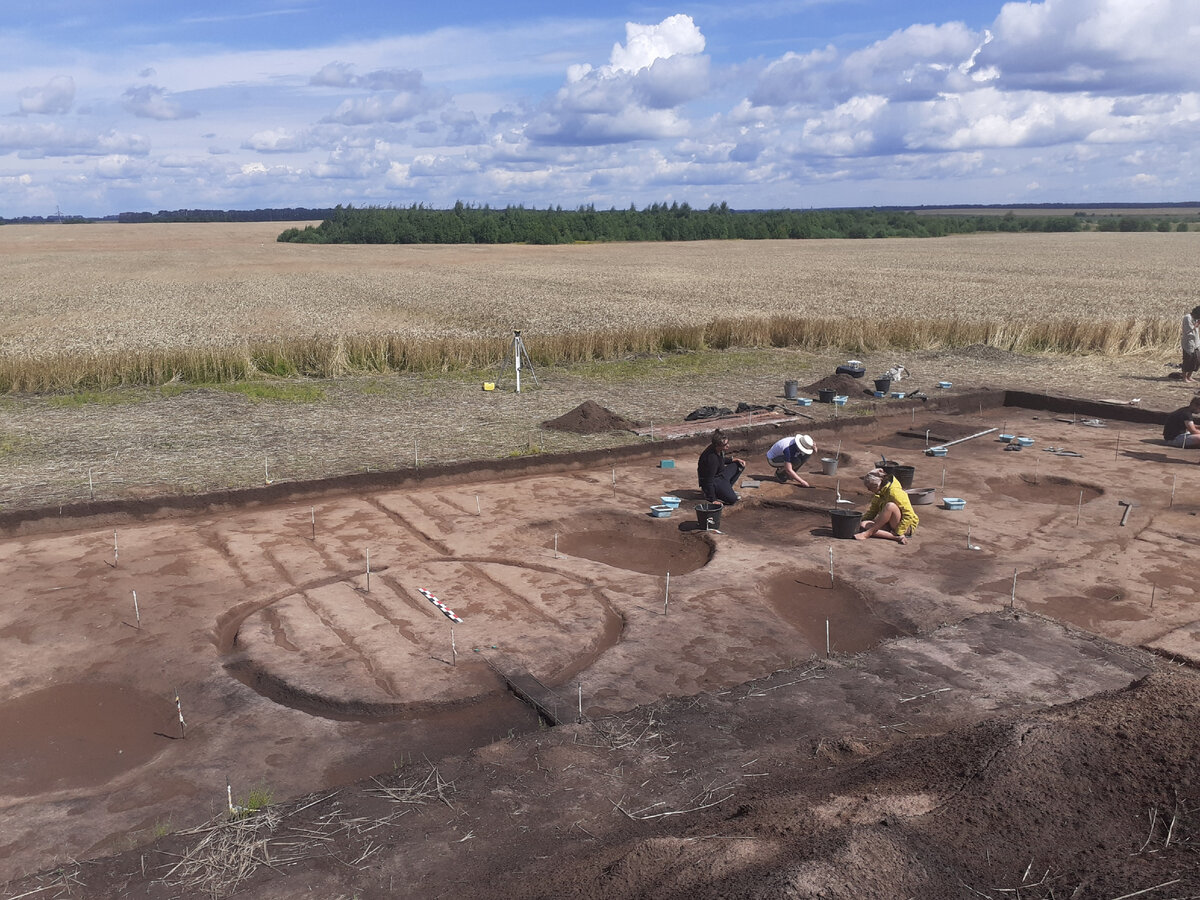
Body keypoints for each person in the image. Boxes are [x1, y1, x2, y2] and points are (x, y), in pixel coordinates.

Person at [855, 467, 919, 544]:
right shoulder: (879, 493)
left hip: (904, 526)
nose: (868, 489)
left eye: (869, 487)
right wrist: (858, 521)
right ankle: (895, 537)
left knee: (890, 506)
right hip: (889, 524)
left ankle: (868, 533)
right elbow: (872, 512)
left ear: (876, 485)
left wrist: (899, 531)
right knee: (863, 524)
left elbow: (909, 514)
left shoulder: (895, 492)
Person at [697, 429, 746, 504]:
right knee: (733, 499)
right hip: (715, 480)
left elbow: (721, 460)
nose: (728, 446)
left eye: (727, 443)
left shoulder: (717, 450)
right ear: (718, 445)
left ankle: (726, 489)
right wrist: (713, 499)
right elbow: (709, 480)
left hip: (721, 474)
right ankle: (716, 493)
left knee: (739, 465)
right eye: (725, 445)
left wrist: (734, 460)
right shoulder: (711, 459)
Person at [1183, 305, 1200, 382]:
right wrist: (1197, 324)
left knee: (1196, 360)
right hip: (1188, 342)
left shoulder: (1195, 318)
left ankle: (1190, 376)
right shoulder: (1187, 317)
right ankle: (1184, 377)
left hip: (1196, 341)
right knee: (1188, 360)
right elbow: (1190, 329)